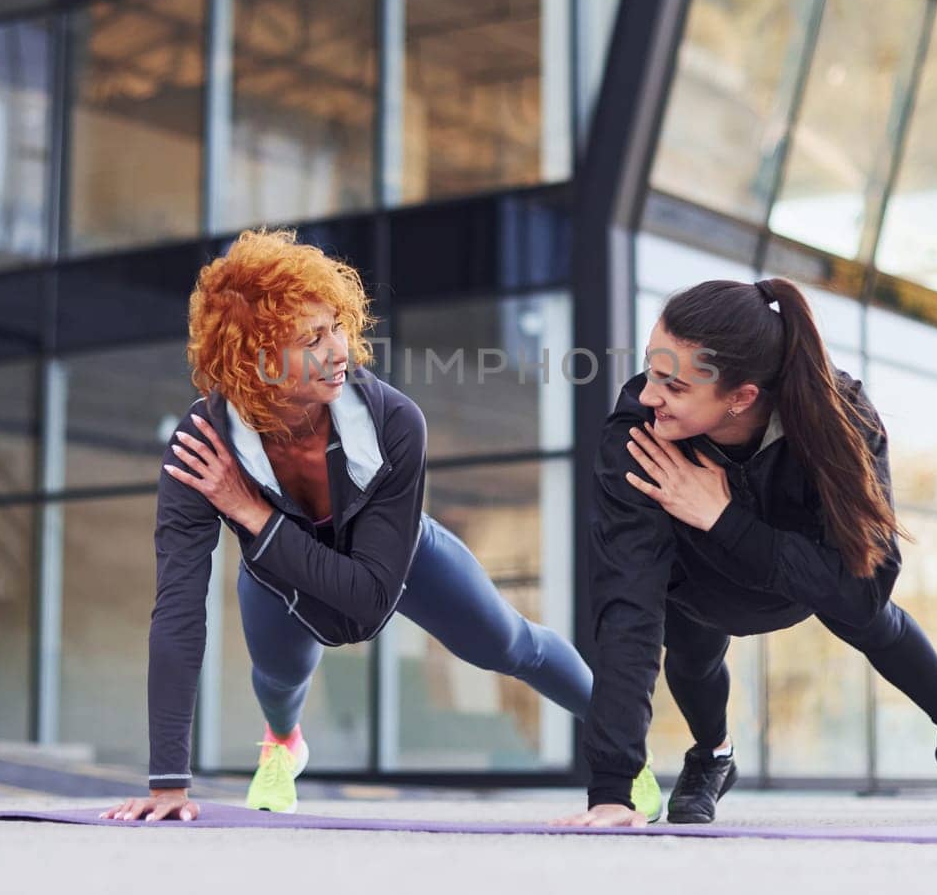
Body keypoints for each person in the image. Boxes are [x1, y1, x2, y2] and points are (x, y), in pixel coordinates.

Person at [101, 228, 638, 822]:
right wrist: (168, 785)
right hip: (280, 581)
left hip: (400, 560)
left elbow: (368, 597)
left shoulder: (394, 421)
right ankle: (282, 744)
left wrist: (250, 511)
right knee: (278, 681)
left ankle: (625, 750)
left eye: (336, 325)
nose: (340, 350)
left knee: (511, 644)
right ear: (255, 361)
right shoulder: (202, 445)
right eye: (313, 338)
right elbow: (177, 607)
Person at [553, 278, 937, 828]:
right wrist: (612, 790)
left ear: (740, 397)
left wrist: (723, 518)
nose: (649, 395)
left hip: (808, 579)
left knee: (874, 623)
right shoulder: (636, 437)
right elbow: (627, 605)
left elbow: (863, 589)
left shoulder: (842, 419)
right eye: (651, 369)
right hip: (698, 586)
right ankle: (713, 757)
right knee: (691, 654)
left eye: (673, 386)